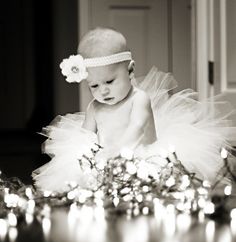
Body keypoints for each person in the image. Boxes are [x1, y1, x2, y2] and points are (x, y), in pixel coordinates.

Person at [33, 27, 236, 193]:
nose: (103, 90)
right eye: (93, 85)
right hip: (107, 162)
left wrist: (118, 151)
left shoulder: (139, 99)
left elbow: (137, 127)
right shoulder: (94, 107)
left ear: (130, 70)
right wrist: (88, 156)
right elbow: (84, 136)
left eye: (110, 81)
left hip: (144, 158)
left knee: (150, 188)